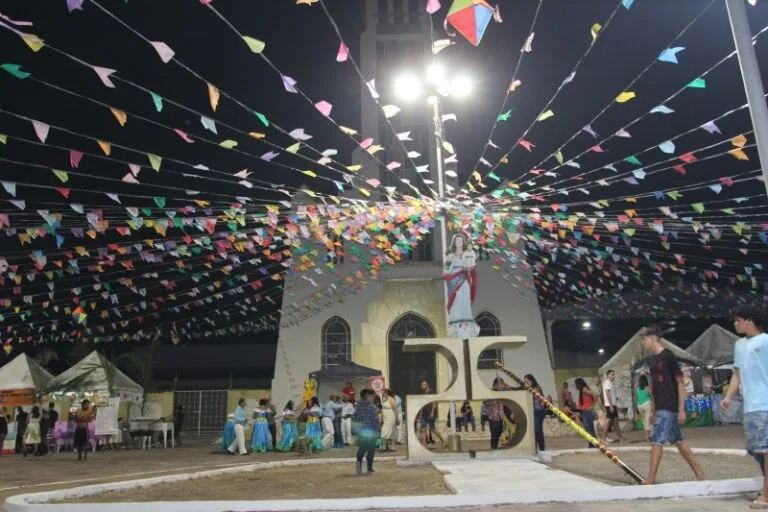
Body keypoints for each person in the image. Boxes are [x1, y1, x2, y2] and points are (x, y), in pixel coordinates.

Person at [640, 325, 706, 485]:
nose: (643, 342)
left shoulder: (668, 356)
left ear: (653, 337)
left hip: (669, 405)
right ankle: (700, 473)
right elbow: (655, 387)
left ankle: (650, 478)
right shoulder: (651, 360)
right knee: (678, 441)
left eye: (644, 339)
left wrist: (681, 409)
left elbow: (680, 383)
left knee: (657, 441)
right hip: (660, 406)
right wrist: (653, 410)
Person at [722, 305, 768, 509]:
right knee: (755, 449)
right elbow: (737, 374)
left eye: (738, 319)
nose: (734, 323)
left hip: (765, 403)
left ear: (749, 320)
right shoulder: (739, 345)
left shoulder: (766, 341)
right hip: (749, 406)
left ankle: (766, 495)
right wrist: (728, 396)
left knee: (765, 450)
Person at [442, 234, 480, 338]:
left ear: (463, 242)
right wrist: (449, 262)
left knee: (465, 297)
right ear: (454, 242)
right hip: (454, 280)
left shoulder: (466, 254)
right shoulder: (451, 255)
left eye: (460, 241)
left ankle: (466, 319)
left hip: (464, 279)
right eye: (457, 241)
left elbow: (471, 266)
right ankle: (456, 320)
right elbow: (446, 271)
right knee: (457, 297)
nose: (459, 242)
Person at [352, 388, 380, 476]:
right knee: (371, 450)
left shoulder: (358, 406)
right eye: (372, 396)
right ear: (367, 396)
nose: (373, 398)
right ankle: (369, 468)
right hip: (370, 431)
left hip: (362, 431)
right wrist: (378, 430)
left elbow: (354, 418)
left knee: (363, 449)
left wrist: (354, 430)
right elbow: (375, 420)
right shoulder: (372, 407)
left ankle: (360, 466)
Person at [418, 379, 446, 449]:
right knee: (423, 429)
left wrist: (432, 412)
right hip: (424, 413)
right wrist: (420, 413)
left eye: (424, 385)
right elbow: (422, 404)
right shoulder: (423, 393)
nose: (422, 386)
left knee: (433, 429)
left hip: (430, 413)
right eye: (422, 385)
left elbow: (434, 402)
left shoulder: (431, 391)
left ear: (427, 385)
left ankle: (443, 441)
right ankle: (424, 445)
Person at [602, 369, 626, 443]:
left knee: (615, 422)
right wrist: (611, 405)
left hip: (612, 405)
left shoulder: (610, 383)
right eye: (612, 374)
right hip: (610, 405)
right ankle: (603, 439)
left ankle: (621, 438)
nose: (613, 376)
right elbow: (607, 393)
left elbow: (611, 394)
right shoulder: (607, 382)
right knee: (608, 421)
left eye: (614, 374)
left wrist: (616, 399)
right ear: (608, 375)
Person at [524, 374, 546, 452]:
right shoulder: (529, 389)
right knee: (535, 431)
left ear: (532, 381)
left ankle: (542, 449)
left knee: (538, 430)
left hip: (538, 411)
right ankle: (535, 449)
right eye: (525, 382)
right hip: (534, 412)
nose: (526, 383)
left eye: (527, 381)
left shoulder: (535, 389)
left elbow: (538, 400)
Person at [575, 378, 598, 447]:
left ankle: (593, 445)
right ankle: (592, 445)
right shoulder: (583, 390)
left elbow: (595, 395)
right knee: (589, 430)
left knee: (589, 430)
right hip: (584, 412)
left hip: (587, 412)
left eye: (576, 384)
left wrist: (592, 405)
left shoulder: (584, 389)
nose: (576, 386)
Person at [635, 375, 654, 442]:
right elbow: (652, 396)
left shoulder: (637, 389)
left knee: (644, 421)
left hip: (639, 405)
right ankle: (647, 437)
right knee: (648, 421)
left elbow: (636, 399)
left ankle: (647, 436)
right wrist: (653, 406)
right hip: (647, 404)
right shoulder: (647, 388)